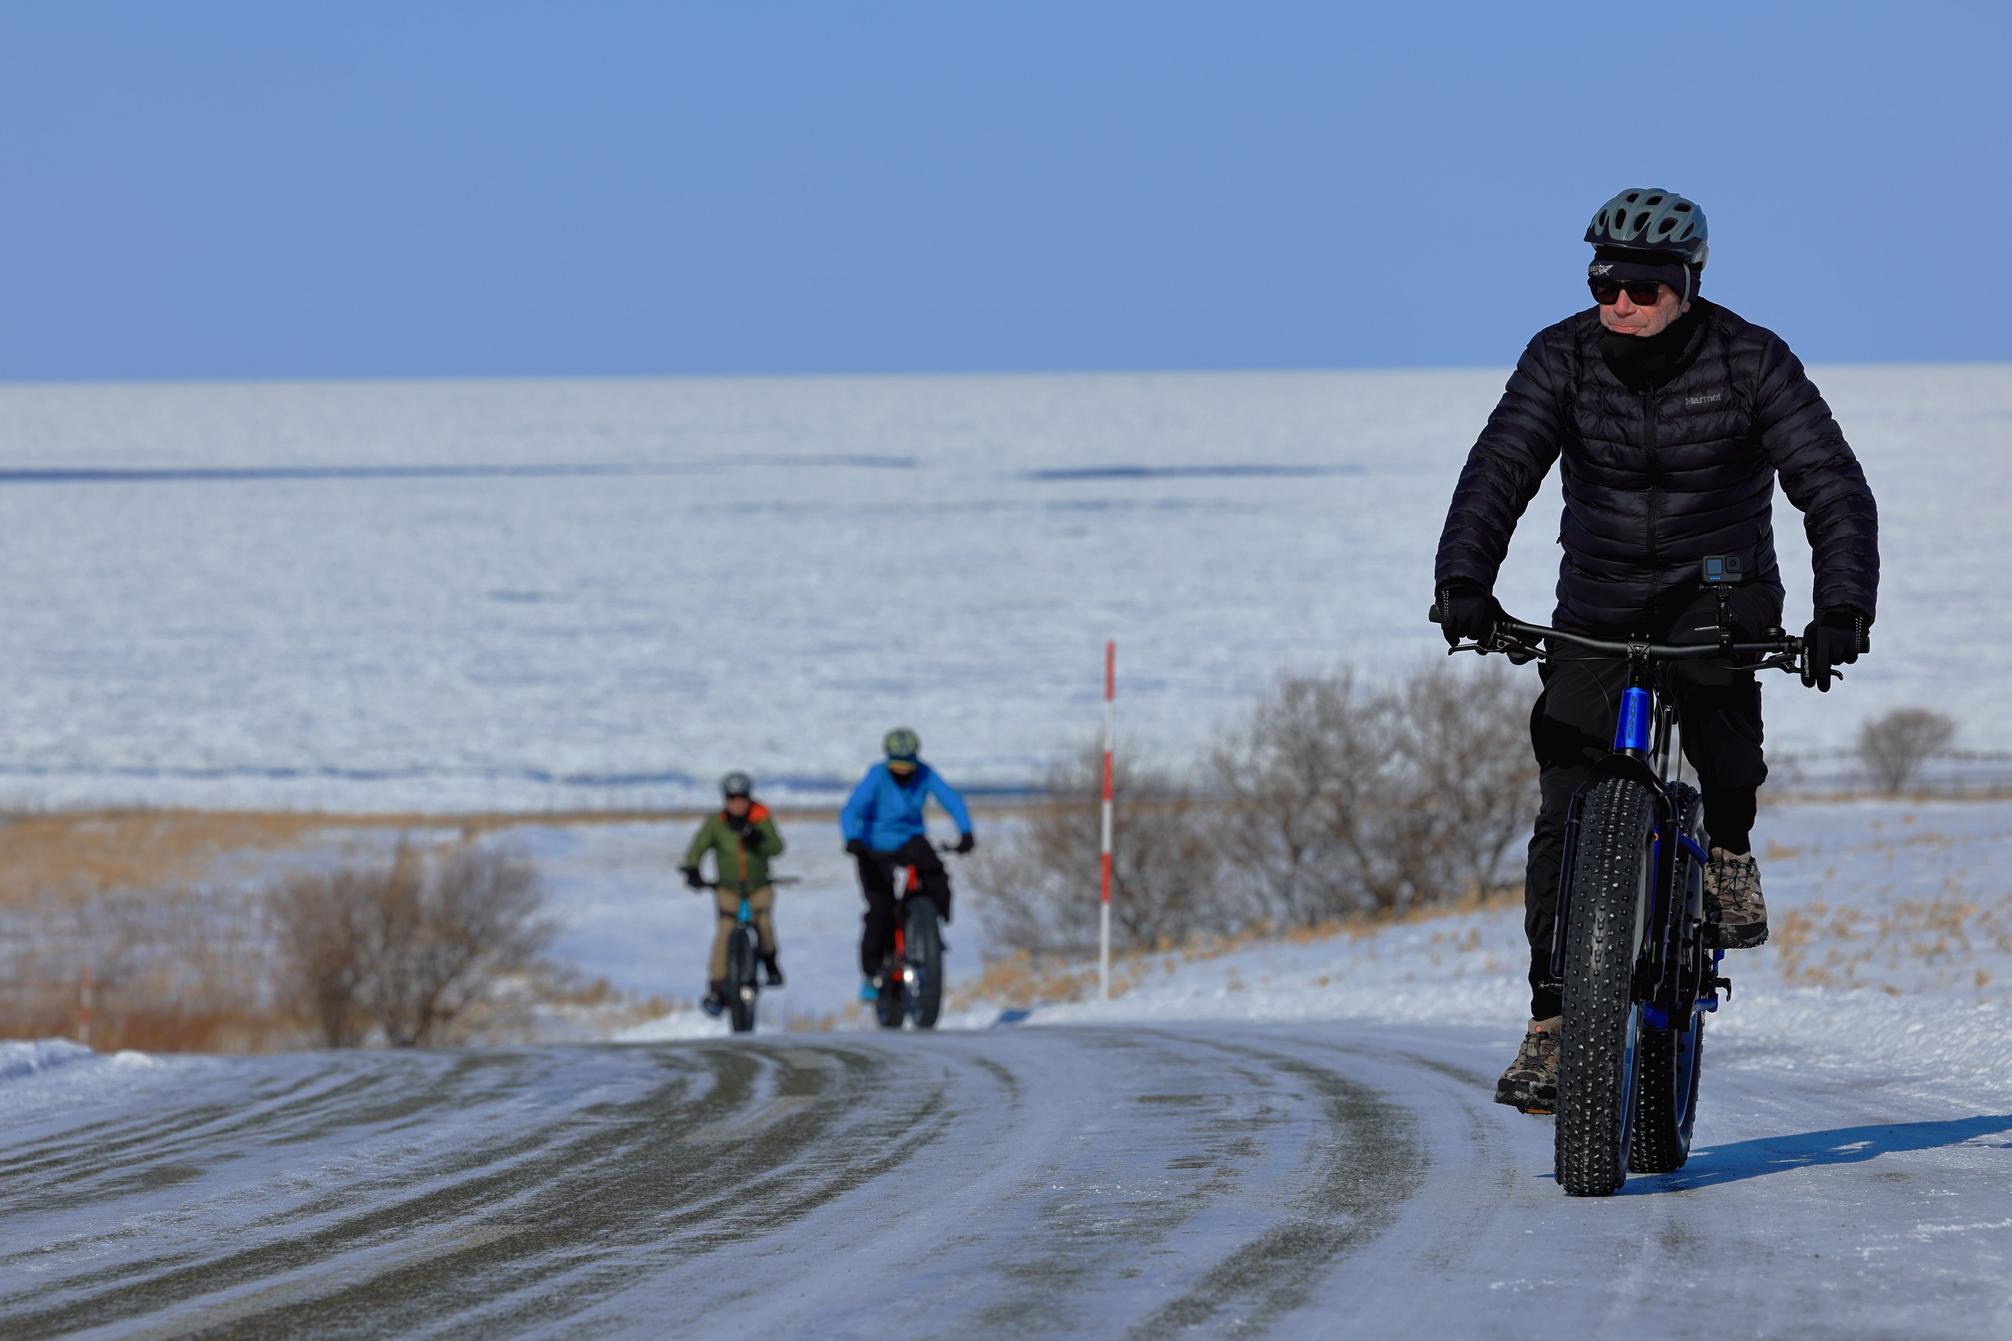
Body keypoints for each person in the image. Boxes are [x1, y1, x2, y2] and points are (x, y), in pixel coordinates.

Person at [1433, 187, 1879, 1113]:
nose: (1620, 304)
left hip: (1718, 591)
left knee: (1723, 732)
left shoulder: (1751, 359)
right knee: (1565, 802)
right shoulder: (1561, 356)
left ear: (1686, 285)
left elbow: (1831, 484)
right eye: (1605, 285)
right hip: (1599, 599)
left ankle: (1729, 849)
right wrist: (1465, 580)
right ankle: (1553, 1022)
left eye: (1642, 288)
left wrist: (1841, 606)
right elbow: (1499, 469)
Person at [840, 728, 974, 1001]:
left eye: (907, 767)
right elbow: (851, 810)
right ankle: (872, 973)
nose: (902, 772)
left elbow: (952, 801)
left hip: (911, 841)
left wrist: (966, 832)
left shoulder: (925, 773)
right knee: (880, 908)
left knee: (936, 877)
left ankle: (929, 931)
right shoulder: (877, 776)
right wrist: (852, 838)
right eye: (897, 767)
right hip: (874, 846)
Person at [679, 771, 786, 1017]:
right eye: (732, 798)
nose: (737, 804)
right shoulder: (716, 823)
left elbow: (777, 848)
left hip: (758, 886)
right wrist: (692, 869)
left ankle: (771, 965)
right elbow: (698, 847)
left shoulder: (761, 818)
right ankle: (717, 988)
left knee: (764, 925)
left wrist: (758, 839)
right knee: (725, 932)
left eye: (741, 798)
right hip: (728, 888)